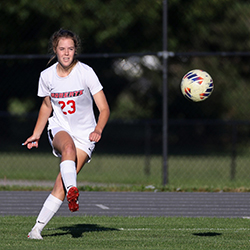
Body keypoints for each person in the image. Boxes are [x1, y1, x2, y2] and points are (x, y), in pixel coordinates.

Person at [22, 28, 110, 240]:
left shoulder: (86, 72)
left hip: (86, 135)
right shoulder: (47, 76)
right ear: (55, 50)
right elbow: (46, 107)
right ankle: (74, 191)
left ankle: (36, 230)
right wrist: (36, 134)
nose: (66, 53)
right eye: (62, 49)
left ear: (75, 50)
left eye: (70, 48)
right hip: (60, 128)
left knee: (60, 183)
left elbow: (104, 108)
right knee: (67, 149)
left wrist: (98, 129)